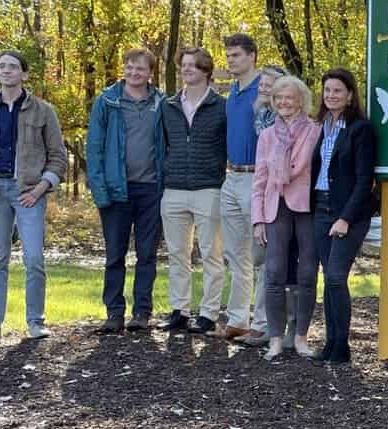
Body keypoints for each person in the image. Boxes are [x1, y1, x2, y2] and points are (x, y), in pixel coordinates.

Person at [0, 51, 66, 345]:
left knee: (34, 258)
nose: (6, 71)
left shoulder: (43, 111)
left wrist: (40, 188)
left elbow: (58, 157)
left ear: (24, 74)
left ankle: (35, 322)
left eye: (12, 67)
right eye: (1, 67)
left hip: (29, 193)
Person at [87, 49, 166, 334]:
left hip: (151, 190)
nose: (134, 73)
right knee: (114, 255)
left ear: (150, 72)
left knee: (147, 254)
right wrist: (100, 190)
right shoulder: (107, 101)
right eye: (130, 67)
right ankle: (114, 313)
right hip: (115, 190)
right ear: (124, 69)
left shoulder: (161, 103)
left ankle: (141, 313)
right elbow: (94, 148)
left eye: (140, 69)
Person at [306, 68, 376, 363]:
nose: (331, 95)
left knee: (336, 276)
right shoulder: (321, 126)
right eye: (327, 90)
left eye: (337, 91)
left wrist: (345, 218)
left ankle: (342, 345)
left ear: (349, 95)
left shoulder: (360, 129)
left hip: (349, 213)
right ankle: (330, 344)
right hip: (320, 208)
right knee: (328, 278)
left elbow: (364, 180)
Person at [159, 47, 228, 334]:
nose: (186, 70)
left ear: (206, 71)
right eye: (184, 65)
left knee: (211, 253)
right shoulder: (168, 105)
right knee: (177, 253)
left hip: (209, 187)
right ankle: (179, 310)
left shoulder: (221, 106)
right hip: (173, 188)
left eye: (193, 65)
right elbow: (162, 143)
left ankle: (209, 313)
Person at [254, 75, 321, 360]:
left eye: (290, 97)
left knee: (307, 273)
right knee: (274, 273)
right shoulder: (267, 135)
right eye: (279, 97)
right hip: (275, 207)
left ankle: (302, 338)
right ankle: (276, 340)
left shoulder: (316, 131)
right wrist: (258, 219)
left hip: (308, 208)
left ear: (301, 100)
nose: (284, 102)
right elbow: (259, 179)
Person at [218, 33, 267, 343]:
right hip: (232, 176)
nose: (230, 60)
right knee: (236, 256)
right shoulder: (233, 91)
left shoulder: (265, 88)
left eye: (236, 55)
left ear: (252, 56)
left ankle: (262, 323)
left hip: (256, 178)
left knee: (262, 256)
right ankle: (237, 320)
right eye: (228, 55)